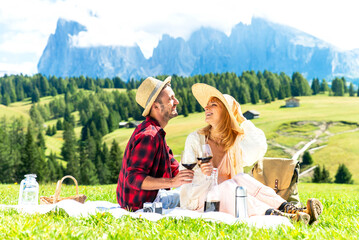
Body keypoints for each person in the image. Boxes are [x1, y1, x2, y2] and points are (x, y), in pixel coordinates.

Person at [180, 83, 323, 224]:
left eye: (213, 105)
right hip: (200, 201)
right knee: (230, 187)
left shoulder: (233, 141)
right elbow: (185, 178)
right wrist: (201, 172)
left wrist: (241, 119)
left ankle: (294, 210)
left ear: (226, 113)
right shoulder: (195, 139)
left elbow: (259, 146)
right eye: (207, 105)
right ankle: (282, 217)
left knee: (241, 178)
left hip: (227, 196)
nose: (206, 107)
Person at [117, 76, 194, 211]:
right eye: (170, 98)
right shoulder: (150, 136)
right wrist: (172, 182)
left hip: (145, 199)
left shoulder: (155, 132)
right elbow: (133, 178)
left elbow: (174, 168)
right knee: (196, 199)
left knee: (194, 192)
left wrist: (198, 170)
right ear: (156, 106)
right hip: (141, 205)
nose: (177, 101)